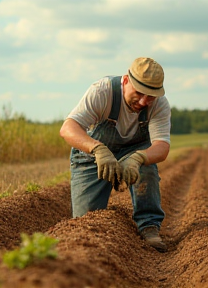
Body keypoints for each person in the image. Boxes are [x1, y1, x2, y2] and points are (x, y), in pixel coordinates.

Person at [60, 57, 171, 253]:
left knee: (147, 170)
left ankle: (149, 226)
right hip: (93, 155)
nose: (144, 102)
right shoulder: (102, 92)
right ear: (127, 80)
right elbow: (68, 128)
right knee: (85, 222)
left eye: (151, 97)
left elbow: (161, 147)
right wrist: (98, 149)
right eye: (140, 93)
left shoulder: (159, 105)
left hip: (134, 151)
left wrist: (138, 158)